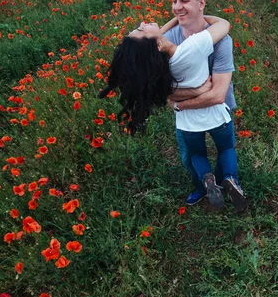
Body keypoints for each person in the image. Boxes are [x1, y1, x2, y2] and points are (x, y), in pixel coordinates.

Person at [99, 16, 247, 212]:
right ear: (158, 44)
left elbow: (156, 39)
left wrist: (168, 23)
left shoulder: (158, 70)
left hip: (188, 123)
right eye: (141, 30)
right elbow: (224, 25)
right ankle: (229, 178)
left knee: (196, 154)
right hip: (216, 116)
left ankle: (206, 179)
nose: (143, 24)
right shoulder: (192, 48)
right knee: (226, 149)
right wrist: (201, 17)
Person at [162, 0, 239, 207]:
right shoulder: (166, 39)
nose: (177, 7)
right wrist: (199, 89)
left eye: (184, 0)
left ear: (201, 3)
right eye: (174, 1)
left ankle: (208, 184)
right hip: (214, 111)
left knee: (195, 155)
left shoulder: (221, 40)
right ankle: (222, 181)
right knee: (217, 150)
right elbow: (159, 90)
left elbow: (217, 94)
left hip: (191, 113)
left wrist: (178, 103)